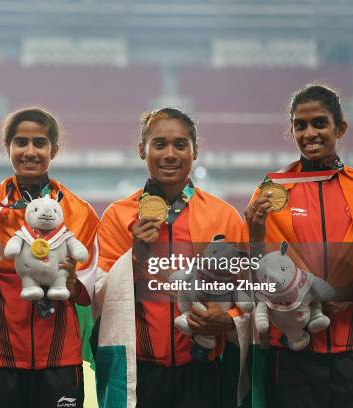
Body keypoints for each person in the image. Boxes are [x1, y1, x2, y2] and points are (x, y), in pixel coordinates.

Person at [93, 107, 250, 408]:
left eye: (180, 145)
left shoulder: (223, 215)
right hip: (141, 373)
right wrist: (136, 256)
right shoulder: (117, 216)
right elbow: (98, 295)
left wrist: (228, 321)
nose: (170, 154)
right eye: (159, 144)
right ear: (142, 150)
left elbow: (250, 291)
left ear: (195, 150)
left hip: (206, 370)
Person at [0, 107, 99, 408]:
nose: (30, 151)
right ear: (8, 148)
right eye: (20, 142)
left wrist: (72, 282)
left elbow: (88, 296)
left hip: (60, 359)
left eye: (39, 143)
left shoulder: (81, 213)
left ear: (54, 148)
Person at [245, 84, 353, 408]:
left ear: (341, 128)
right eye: (300, 125)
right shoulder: (270, 192)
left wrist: (352, 291)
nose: (310, 133)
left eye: (320, 123)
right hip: (296, 352)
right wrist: (254, 235)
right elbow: (258, 270)